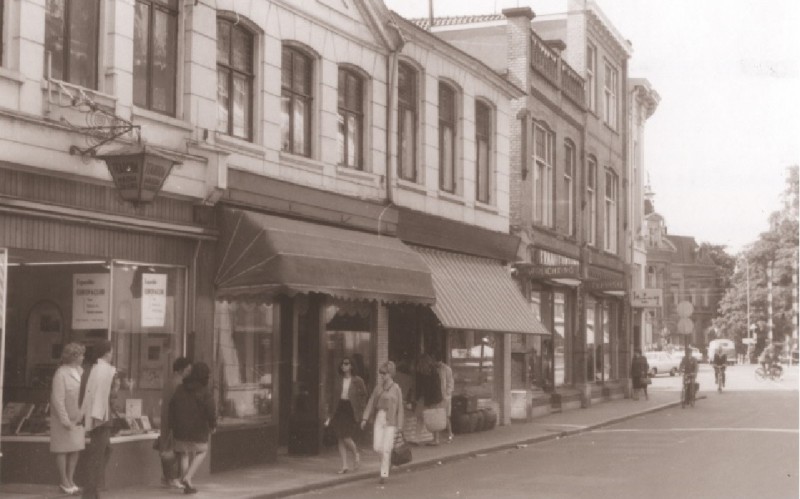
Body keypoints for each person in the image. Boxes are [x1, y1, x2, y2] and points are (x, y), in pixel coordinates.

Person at [170, 361, 216, 494]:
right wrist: (213, 425)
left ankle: (187, 485)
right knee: (202, 451)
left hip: (179, 429)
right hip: (197, 429)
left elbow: (172, 406)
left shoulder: (180, 388)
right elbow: (211, 411)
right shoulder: (205, 392)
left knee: (184, 454)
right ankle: (188, 477)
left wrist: (173, 425)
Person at [79, 340, 116, 499]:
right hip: (102, 417)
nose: (112, 354)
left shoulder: (94, 369)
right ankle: (89, 491)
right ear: (107, 352)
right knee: (98, 454)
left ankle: (92, 489)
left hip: (98, 416)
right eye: (112, 351)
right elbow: (105, 396)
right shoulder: (105, 370)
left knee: (105, 450)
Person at [50, 343, 86, 495]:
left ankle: (71, 480)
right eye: (81, 355)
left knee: (75, 448)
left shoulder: (81, 371)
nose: (83, 357)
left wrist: (81, 415)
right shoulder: (61, 374)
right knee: (63, 449)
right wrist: (65, 420)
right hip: (63, 419)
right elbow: (57, 399)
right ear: (74, 357)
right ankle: (64, 481)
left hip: (78, 418)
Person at [361, 361, 404, 485]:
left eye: (384, 373)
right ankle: (387, 463)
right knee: (377, 447)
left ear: (390, 374)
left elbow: (400, 408)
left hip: (391, 420)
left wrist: (400, 426)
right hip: (380, 417)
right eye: (381, 373)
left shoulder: (396, 389)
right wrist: (365, 418)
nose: (382, 376)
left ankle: (383, 474)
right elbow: (371, 402)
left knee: (386, 449)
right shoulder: (378, 388)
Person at [325, 357, 367, 474]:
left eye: (346, 364)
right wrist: (329, 413)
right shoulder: (338, 380)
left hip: (351, 409)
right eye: (342, 364)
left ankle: (356, 453)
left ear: (351, 366)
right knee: (340, 437)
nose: (343, 366)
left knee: (346, 436)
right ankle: (344, 465)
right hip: (339, 408)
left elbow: (364, 395)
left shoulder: (358, 380)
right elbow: (332, 396)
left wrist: (361, 410)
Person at [157, 357, 192, 489]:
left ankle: (167, 478)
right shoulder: (179, 383)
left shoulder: (169, 381)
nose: (189, 372)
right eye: (188, 369)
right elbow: (179, 404)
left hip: (166, 419)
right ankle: (174, 478)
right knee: (176, 450)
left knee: (167, 448)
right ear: (182, 370)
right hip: (175, 420)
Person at [414, 353, 443, 445]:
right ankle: (436, 439)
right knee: (434, 418)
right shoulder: (434, 372)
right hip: (433, 398)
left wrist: (416, 398)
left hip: (424, 398)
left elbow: (418, 387)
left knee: (419, 418)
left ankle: (417, 438)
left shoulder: (420, 372)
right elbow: (437, 387)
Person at [435, 352, 454, 442]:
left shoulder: (447, 369)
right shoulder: (435, 369)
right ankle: (437, 438)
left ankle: (449, 434)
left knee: (446, 417)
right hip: (438, 397)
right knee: (439, 416)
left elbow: (450, 383)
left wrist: (447, 394)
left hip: (445, 397)